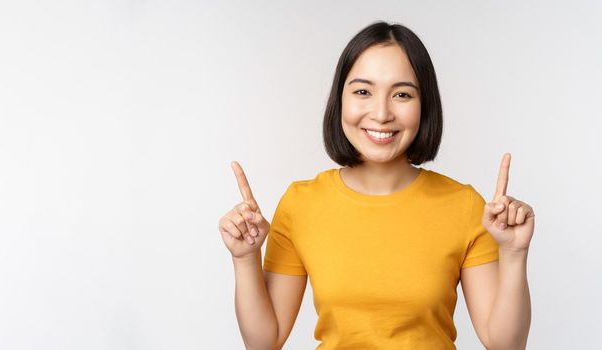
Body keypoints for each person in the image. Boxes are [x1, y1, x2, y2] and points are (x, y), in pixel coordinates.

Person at [218, 21, 534, 350]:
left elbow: (505, 345)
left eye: (402, 94)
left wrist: (513, 253)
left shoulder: (464, 204)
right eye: (363, 91)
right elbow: (264, 342)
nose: (382, 113)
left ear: (424, 104)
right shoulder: (301, 204)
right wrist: (244, 259)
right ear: (340, 99)